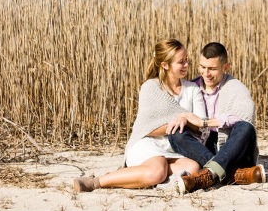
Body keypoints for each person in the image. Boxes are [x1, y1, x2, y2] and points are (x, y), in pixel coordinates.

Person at [73, 39, 206, 192]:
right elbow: (146, 128)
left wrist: (185, 120)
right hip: (147, 142)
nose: (186, 65)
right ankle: (96, 182)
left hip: (174, 148)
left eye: (187, 60)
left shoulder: (193, 89)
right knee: (157, 171)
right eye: (181, 62)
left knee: (193, 168)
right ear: (165, 65)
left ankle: (131, 175)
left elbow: (201, 126)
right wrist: (178, 124)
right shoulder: (150, 87)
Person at [168, 42, 265, 194]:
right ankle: (232, 175)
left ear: (225, 67)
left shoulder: (235, 86)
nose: (206, 73)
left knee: (246, 127)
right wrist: (181, 117)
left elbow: (246, 113)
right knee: (175, 133)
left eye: (212, 69)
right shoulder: (190, 87)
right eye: (202, 67)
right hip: (203, 147)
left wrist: (204, 122)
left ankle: (209, 173)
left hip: (233, 149)